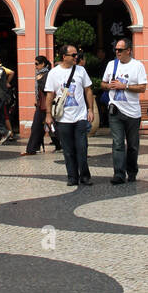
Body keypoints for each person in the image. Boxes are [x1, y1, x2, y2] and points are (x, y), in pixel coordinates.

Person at [44, 43, 94, 187]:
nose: (76, 57)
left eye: (76, 55)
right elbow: (50, 94)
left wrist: (90, 109)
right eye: (73, 55)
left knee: (82, 147)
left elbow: (88, 90)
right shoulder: (54, 73)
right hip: (63, 117)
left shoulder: (81, 71)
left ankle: (85, 176)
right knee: (68, 149)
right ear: (64, 56)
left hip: (80, 116)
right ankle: (72, 176)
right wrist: (48, 114)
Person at [101, 35, 147, 183]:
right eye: (116, 50)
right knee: (118, 143)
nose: (117, 52)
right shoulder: (111, 65)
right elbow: (103, 83)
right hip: (115, 109)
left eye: (120, 50)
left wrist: (125, 86)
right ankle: (119, 174)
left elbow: (142, 87)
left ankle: (132, 171)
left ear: (129, 51)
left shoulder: (138, 66)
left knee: (133, 145)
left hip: (133, 111)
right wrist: (109, 86)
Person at [24, 56, 57, 155]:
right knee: (46, 127)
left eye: (36, 64)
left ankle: (31, 149)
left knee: (39, 127)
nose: (35, 66)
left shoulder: (47, 74)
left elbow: (47, 90)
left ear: (43, 64)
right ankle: (32, 149)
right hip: (41, 105)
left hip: (45, 105)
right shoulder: (41, 74)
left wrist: (39, 80)